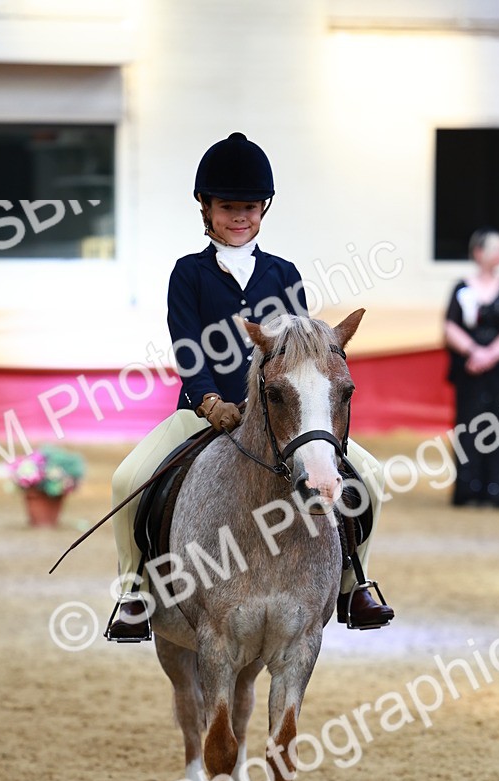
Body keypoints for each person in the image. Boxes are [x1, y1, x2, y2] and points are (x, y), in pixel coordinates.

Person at [106, 132, 394, 640]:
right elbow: (187, 346)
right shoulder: (188, 274)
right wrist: (209, 400)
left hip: (278, 416)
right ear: (206, 207)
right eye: (227, 207)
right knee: (129, 480)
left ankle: (354, 582)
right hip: (201, 411)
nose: (239, 218)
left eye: (249, 208)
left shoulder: (284, 274)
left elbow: (302, 355)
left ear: (264, 209)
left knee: (367, 477)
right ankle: (134, 591)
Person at [444, 229, 499, 508]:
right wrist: (473, 352)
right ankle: (469, 490)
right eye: (497, 249)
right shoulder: (462, 288)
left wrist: (491, 354)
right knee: (468, 425)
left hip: (498, 373)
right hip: (470, 372)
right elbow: (450, 326)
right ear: (480, 253)